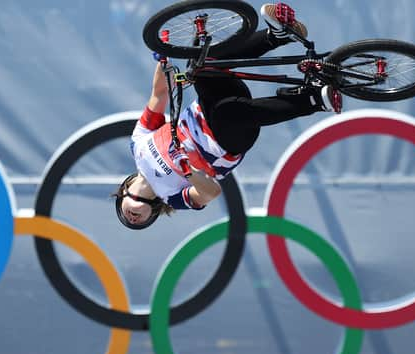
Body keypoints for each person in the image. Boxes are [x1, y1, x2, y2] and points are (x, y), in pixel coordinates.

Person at [114, 3, 342, 230]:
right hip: (227, 140)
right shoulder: (172, 198)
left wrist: (164, 55)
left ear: (122, 193)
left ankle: (277, 35)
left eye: (127, 218)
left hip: (210, 105)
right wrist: (186, 170)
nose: (133, 220)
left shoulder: (138, 145)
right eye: (139, 223)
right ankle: (315, 100)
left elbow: (159, 94)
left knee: (201, 64)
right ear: (153, 213)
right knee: (227, 115)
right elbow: (211, 192)